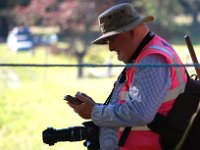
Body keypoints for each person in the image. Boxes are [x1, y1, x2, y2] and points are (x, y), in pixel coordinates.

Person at [67, 3, 187, 150]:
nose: (110, 47)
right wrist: (96, 107)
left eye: (112, 39)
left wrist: (94, 112)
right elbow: (133, 106)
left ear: (131, 32)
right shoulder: (144, 55)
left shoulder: (151, 60)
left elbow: (139, 113)